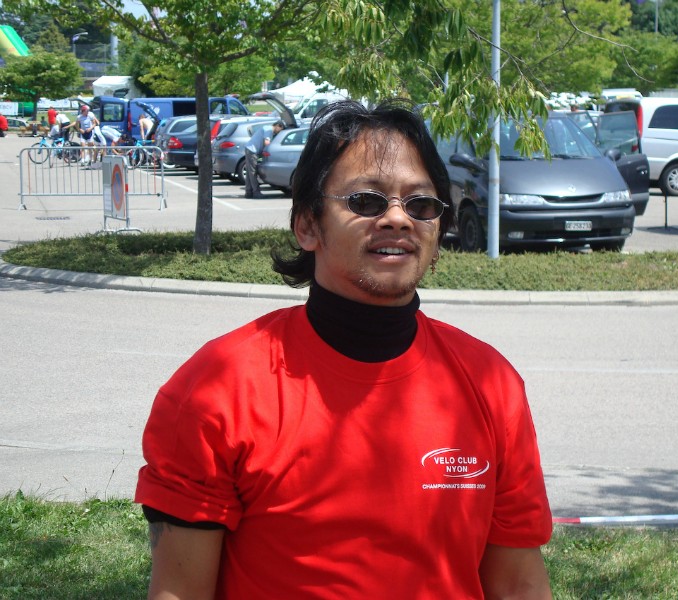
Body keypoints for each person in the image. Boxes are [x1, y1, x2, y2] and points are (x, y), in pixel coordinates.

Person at [135, 99, 553, 599]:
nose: (397, 219)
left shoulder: (491, 382)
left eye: (420, 205)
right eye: (366, 201)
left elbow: (519, 586)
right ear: (307, 225)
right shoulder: (216, 388)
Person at [243, 119, 285, 199]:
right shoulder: (269, 130)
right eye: (280, 129)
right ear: (277, 126)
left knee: (249, 172)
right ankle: (256, 192)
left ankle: (248, 192)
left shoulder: (266, 127)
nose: (279, 132)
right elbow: (266, 142)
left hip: (249, 149)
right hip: (252, 150)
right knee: (253, 172)